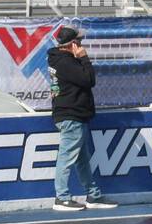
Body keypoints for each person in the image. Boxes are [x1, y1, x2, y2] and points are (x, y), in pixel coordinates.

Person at [47, 26, 116, 212]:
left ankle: (93, 195)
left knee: (82, 159)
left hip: (73, 115)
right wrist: (84, 58)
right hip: (71, 115)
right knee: (66, 158)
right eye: (79, 41)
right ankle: (61, 198)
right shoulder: (65, 61)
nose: (82, 44)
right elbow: (89, 79)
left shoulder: (59, 58)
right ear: (72, 44)